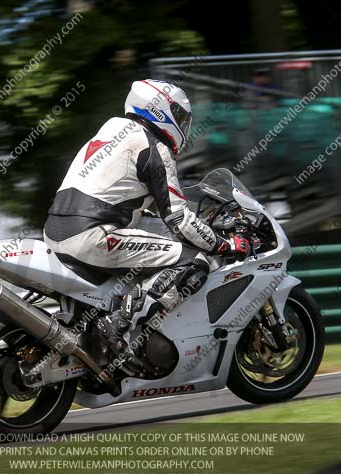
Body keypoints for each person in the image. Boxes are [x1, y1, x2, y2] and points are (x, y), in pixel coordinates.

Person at [43, 79, 250, 369]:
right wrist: (223, 243)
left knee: (161, 247)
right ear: (161, 111)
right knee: (193, 262)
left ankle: (101, 325)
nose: (183, 125)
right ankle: (119, 325)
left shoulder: (113, 130)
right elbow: (177, 217)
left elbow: (147, 207)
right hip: (93, 236)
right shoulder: (153, 147)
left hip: (56, 232)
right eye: (179, 116)